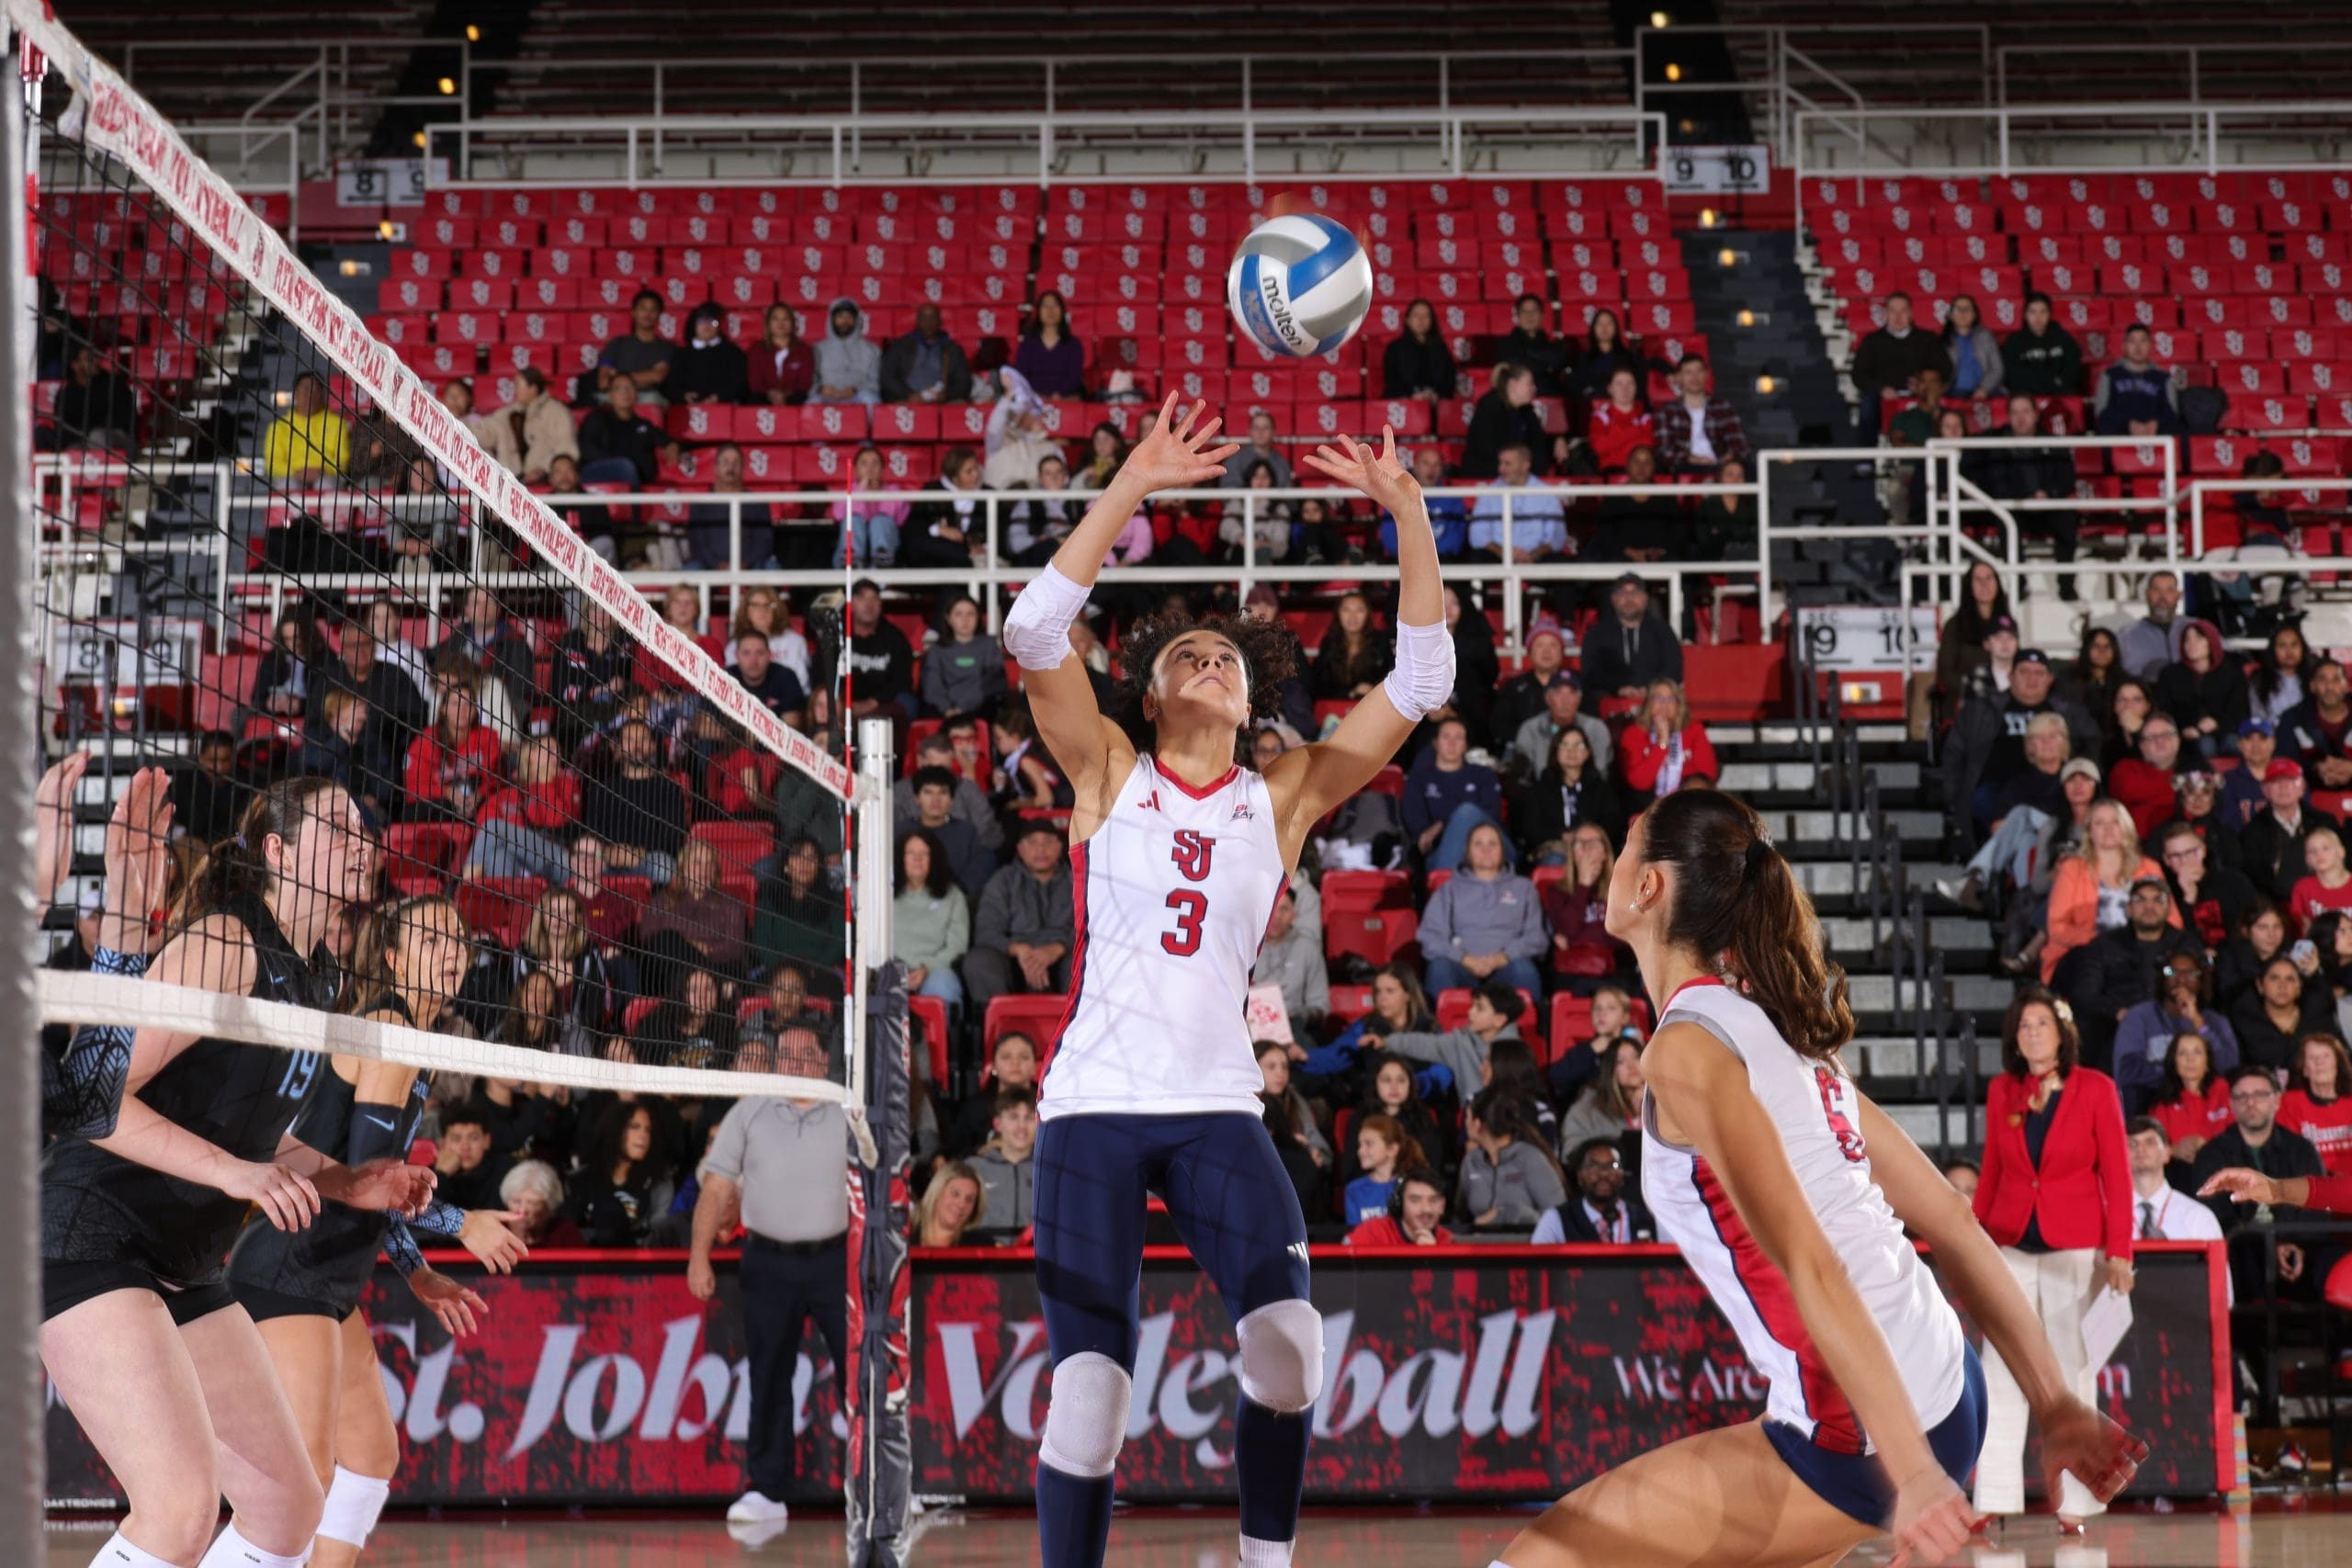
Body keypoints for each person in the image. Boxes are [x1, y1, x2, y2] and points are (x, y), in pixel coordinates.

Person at [999, 400, 1453, 1568]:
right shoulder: (1106, 767)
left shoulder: (1284, 793)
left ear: (1253, 704)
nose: (1209, 661)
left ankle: (1266, 1563)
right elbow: (1034, 629)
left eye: (1227, 659)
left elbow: (1424, 674)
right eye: (1184, 657)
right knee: (1090, 1400)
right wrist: (1131, 485)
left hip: (1212, 1105)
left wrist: (1407, 514)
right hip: (1093, 1110)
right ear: (1151, 699)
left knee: (1292, 1348)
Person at [1496, 791, 2142, 1568]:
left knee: (1540, 1558)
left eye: (1628, 842)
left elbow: (1812, 1263)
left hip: (1865, 1426)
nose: (1611, 856)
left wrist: (1911, 1474)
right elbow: (1952, 1218)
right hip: (1945, 1378)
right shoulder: (1785, 1032)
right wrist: (2054, 1401)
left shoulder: (1683, 1052)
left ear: (1649, 886)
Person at [40, 780, 439, 1568]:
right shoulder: (225, 942)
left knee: (288, 1506)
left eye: (364, 826)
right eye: (337, 826)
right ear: (279, 853)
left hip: (184, 1258)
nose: (362, 839)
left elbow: (259, 1130)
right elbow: (94, 1100)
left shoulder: (319, 975)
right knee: (180, 1509)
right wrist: (237, 1175)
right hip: (91, 1236)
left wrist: (350, 1181)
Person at [225, 896, 527, 1568]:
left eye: (458, 937)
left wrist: (416, 1268)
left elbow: (372, 1186)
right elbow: (371, 1174)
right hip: (288, 1269)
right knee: (302, 1480)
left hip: (330, 1278)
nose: (451, 948)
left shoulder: (411, 1043)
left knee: (368, 1453)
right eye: (431, 938)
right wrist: (461, 1222)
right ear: (391, 955)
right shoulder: (387, 1024)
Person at [1968, 986, 2134, 1530]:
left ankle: (2077, 1504)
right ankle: (1992, 1497)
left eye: (2041, 1024)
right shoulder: (2002, 1090)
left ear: (2063, 1033)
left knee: (2071, 1372)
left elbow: (2118, 1176)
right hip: (2011, 1243)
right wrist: (1974, 1245)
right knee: (2000, 1368)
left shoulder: (2096, 1088)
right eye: (2023, 1026)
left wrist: (2120, 1253)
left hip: (2074, 1247)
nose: (2032, 1033)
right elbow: (1992, 1171)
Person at [687, 1016, 850, 1529]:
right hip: (767, 1260)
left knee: (863, 1375)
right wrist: (699, 1257)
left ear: (824, 1060)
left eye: (806, 1054)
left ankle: (878, 1483)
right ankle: (767, 1489)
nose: (796, 1064)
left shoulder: (851, 1108)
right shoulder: (748, 1111)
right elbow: (715, 1187)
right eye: (787, 1055)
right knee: (769, 1375)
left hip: (837, 1261)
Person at [2188, 1066, 2326, 1296]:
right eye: (2241, 1096)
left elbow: (2317, 1206)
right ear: (2231, 1104)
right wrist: (2269, 1245)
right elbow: (2214, 1213)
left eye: (2260, 1095)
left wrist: (2293, 1244)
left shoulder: (2301, 1149)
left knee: (2325, 1257)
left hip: (2299, 1243)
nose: (2250, 1103)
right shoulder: (2212, 1154)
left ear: (2277, 1101)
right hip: (2241, 1249)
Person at [1973, 394, 2081, 599]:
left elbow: (2067, 479)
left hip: (2048, 506)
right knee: (2006, 521)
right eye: (2015, 413)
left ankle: (2066, 585)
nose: (2020, 418)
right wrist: (2024, 498)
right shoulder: (1998, 447)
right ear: (2008, 417)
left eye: (2025, 412)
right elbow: (1997, 483)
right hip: (2016, 507)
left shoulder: (2055, 444)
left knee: (2067, 516)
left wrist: (2049, 494)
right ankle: (2018, 584)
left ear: (2035, 414)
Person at [1419, 824, 1546, 996]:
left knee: (1525, 971)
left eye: (1493, 844)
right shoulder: (1449, 889)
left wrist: (1502, 958)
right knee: (1439, 968)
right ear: (1467, 851)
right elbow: (1430, 937)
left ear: (1503, 850)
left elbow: (1536, 937)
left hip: (1507, 966)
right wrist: (1464, 959)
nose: (1486, 849)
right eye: (1478, 844)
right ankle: (1439, 1022)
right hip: (1461, 966)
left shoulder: (1524, 888)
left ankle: (1528, 1023)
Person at [961, 820, 1074, 1013]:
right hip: (1014, 961)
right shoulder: (1002, 881)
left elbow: (1094, 926)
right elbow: (986, 931)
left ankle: (1079, 1032)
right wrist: (1018, 949)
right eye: (1032, 842)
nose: (1040, 849)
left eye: (1048, 842)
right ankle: (1002, 1032)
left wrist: (1059, 948)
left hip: (1062, 956)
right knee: (978, 961)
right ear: (1020, 849)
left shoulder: (1077, 881)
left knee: (1085, 960)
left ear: (1060, 847)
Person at [2114, 949, 2240, 1114]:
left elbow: (2229, 1067)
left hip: (2204, 1101)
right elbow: (2127, 1070)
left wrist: (2197, 1022)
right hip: (2152, 1099)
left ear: (2201, 980)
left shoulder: (2214, 1021)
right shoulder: (2139, 1016)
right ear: (2162, 978)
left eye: (2191, 973)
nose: (2181, 979)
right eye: (2172, 972)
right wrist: (2179, 1075)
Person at [1402, 716, 1507, 872]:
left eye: (1458, 737)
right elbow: (1419, 830)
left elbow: (1490, 816)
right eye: (1446, 737)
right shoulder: (1419, 778)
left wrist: (1443, 824)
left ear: (1465, 745)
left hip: (1491, 851)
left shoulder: (1483, 775)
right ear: (1435, 743)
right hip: (1440, 851)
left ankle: (1448, 892)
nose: (1452, 743)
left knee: (1467, 811)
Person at [1849, 291, 1953, 442]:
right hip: (1883, 395)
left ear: (1911, 313)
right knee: (1867, 404)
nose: (1898, 316)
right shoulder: (1872, 341)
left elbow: (1945, 369)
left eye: (1903, 310)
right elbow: (1859, 374)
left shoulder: (1927, 339)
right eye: (1893, 311)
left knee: (1940, 398)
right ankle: (1867, 458)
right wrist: (1881, 389)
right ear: (1885, 313)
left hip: (1922, 394)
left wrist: (1923, 385)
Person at [1455, 1089, 1566, 1229]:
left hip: (1525, 1246)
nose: (1465, 1123)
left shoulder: (1531, 1158)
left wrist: (1507, 1214)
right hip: (1479, 1246)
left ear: (1477, 1125)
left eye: (1468, 1117)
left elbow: (1559, 1217)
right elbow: (1459, 1216)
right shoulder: (1471, 1161)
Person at [896, 828, 970, 1009]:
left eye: (924, 854)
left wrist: (927, 968)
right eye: (911, 853)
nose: (917, 859)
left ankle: (939, 1038)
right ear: (900, 858)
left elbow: (957, 944)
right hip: (892, 971)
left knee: (943, 984)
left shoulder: (953, 895)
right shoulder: (883, 894)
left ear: (934, 859)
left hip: (934, 970)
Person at [2242, 761, 2335, 904]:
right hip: (2277, 906)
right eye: (2276, 782)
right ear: (2265, 790)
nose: (2284, 787)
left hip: (2326, 899)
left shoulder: (2325, 822)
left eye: (2291, 780)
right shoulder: (2253, 831)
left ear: (2302, 787)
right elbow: (2256, 881)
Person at [1581, 574, 1685, 703]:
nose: (1629, 599)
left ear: (1646, 598)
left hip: (1655, 702)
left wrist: (1650, 689)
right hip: (1610, 703)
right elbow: (1590, 672)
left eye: (1635, 593)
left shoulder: (1662, 632)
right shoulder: (1597, 634)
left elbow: (1673, 669)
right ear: (1613, 599)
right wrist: (1619, 689)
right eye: (1623, 593)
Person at [1530, 1136, 1655, 1244]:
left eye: (1613, 1166)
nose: (1603, 1174)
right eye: (1593, 1166)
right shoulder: (1556, 1219)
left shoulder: (1646, 1218)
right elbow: (1536, 1266)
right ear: (1579, 1176)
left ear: (1622, 1176)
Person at [1620, 678, 1718, 802]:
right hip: (1645, 803)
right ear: (1648, 704)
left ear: (1679, 705)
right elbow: (1639, 782)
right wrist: (1662, 743)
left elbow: (1706, 778)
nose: (1664, 704)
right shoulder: (1633, 734)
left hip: (1687, 802)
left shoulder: (1694, 731)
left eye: (1671, 699)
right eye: (1658, 699)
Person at [1651, 354, 1749, 476]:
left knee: (1749, 471)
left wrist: (1729, 458)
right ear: (1679, 377)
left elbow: (1741, 447)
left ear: (1706, 375)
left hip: (1721, 468)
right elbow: (1663, 452)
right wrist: (1693, 459)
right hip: (1685, 468)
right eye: (1688, 372)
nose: (1694, 377)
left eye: (1699, 371)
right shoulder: (1666, 412)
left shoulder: (1723, 407)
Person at [1467, 442, 1568, 560]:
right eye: (1500, 463)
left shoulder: (1546, 494)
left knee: (1558, 561)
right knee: (1477, 557)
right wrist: (1504, 553)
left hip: (1536, 558)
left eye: (1508, 464)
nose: (1501, 469)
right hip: (1498, 556)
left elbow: (1556, 537)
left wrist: (1533, 555)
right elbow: (1478, 535)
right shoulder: (1489, 494)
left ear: (1525, 465)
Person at [968, 1086, 1040, 1235]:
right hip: (984, 1255)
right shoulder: (973, 1168)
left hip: (1035, 1256)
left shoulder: (1049, 1170)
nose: (1022, 1126)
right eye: (1014, 1117)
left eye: (1029, 1118)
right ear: (997, 1124)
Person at [2277, 1032, 2352, 1172]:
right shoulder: (2289, 1103)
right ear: (2304, 1069)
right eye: (2312, 1057)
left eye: (2326, 1056)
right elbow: (2287, 1154)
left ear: (2338, 1064)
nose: (2319, 1062)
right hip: (2311, 1184)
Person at [576, 373, 669, 485]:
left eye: (629, 388)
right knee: (625, 466)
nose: (625, 393)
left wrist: (672, 445)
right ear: (610, 395)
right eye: (618, 388)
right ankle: (635, 501)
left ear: (636, 394)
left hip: (636, 478)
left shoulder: (643, 424)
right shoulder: (596, 419)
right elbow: (587, 450)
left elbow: (662, 438)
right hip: (597, 471)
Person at [2093, 323, 2180, 437]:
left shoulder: (2163, 378)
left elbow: (2173, 414)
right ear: (2124, 346)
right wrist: (2128, 424)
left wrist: (2156, 424)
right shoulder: (2110, 375)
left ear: (2150, 345)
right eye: (2132, 341)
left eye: (2143, 341)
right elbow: (2101, 413)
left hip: (2156, 436)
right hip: (2118, 436)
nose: (2138, 347)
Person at [1462, 364, 1546, 481]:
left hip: (1521, 474)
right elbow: (1484, 446)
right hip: (1489, 474)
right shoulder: (1489, 405)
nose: (1534, 388)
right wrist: (1512, 461)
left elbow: (1539, 444)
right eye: (1529, 383)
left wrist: (1558, 440)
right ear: (1512, 384)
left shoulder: (1527, 411)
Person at [262, 370, 349, 482]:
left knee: (326, 484)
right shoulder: (278, 427)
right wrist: (294, 472)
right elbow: (272, 462)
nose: (309, 395)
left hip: (326, 475)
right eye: (305, 389)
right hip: (291, 476)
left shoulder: (337, 423)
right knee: (288, 485)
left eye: (315, 390)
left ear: (322, 394)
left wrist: (322, 471)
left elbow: (343, 459)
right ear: (295, 394)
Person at [1340, 1112, 1427, 1225]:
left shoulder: (1412, 1187)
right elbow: (1354, 1235)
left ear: (1392, 1149)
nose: (1360, 1151)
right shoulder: (1354, 1189)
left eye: (1369, 1144)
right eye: (1360, 1145)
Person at [597, 288, 679, 405]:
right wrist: (644, 378)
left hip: (648, 398)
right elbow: (603, 383)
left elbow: (658, 377)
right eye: (643, 308)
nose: (647, 314)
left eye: (653, 310)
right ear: (633, 312)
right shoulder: (617, 344)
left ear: (660, 315)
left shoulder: (668, 347)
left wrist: (618, 376)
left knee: (653, 399)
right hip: (617, 397)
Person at [881, 302, 974, 404]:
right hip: (907, 398)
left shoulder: (953, 349)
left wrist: (947, 395)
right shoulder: (901, 346)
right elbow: (887, 377)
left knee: (959, 405)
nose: (928, 322)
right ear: (917, 321)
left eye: (932, 318)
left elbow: (964, 382)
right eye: (924, 318)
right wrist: (908, 395)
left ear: (940, 321)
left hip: (941, 399)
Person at [51, 342, 139, 449]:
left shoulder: (114, 384)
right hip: (80, 440)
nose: (96, 362)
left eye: (96, 357)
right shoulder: (66, 393)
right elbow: (63, 426)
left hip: (116, 438)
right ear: (75, 365)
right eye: (89, 359)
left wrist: (89, 430)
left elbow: (125, 420)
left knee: (96, 436)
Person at [2003, 291, 2085, 398]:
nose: (2038, 317)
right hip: (2027, 397)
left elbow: (2074, 369)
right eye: (2032, 312)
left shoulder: (2063, 338)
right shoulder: (2015, 341)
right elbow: (2012, 375)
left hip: (2060, 394)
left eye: (2043, 312)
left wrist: (2054, 383)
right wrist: (2046, 382)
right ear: (2025, 315)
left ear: (2050, 314)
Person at [1343, 1166, 1453, 1246]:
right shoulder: (1372, 1232)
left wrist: (1433, 1259)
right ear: (1400, 1204)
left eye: (1433, 1201)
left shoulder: (1448, 1241)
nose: (1426, 1209)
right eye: (1415, 1200)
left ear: (1442, 1206)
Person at [673, 301, 749, 404]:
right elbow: (672, 385)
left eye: (713, 321)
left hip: (725, 406)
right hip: (687, 408)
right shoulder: (681, 354)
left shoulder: (733, 352)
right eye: (702, 320)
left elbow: (741, 384)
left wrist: (720, 397)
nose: (707, 325)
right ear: (693, 324)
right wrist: (684, 396)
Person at [1381, 298, 1456, 403]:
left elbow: (1449, 379)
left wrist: (1436, 395)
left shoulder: (1440, 348)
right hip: (1404, 402)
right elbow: (1392, 380)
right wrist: (1412, 395)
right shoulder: (1395, 348)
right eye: (1416, 315)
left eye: (1426, 316)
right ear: (1407, 320)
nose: (1421, 320)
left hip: (1435, 402)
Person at [811, 297, 882, 406]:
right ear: (832, 320)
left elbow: (875, 382)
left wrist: (855, 390)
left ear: (856, 320)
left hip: (857, 395)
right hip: (826, 395)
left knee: (871, 400)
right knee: (812, 403)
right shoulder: (817, 349)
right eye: (840, 317)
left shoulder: (872, 350)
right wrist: (821, 389)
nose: (845, 321)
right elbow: (811, 379)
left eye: (849, 317)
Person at [1015, 288, 1086, 399]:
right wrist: (1035, 395)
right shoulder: (1028, 344)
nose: (1050, 310)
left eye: (1055, 305)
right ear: (1038, 312)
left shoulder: (1073, 344)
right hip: (1033, 398)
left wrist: (1059, 394)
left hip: (1065, 397)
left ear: (1062, 311)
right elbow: (1021, 375)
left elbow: (1074, 377)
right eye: (1045, 306)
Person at [1584, 367, 1655, 474]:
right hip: (1611, 471)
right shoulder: (1601, 417)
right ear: (1610, 389)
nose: (1625, 389)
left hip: (1642, 472)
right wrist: (1634, 433)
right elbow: (1599, 448)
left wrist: (1615, 439)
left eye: (1630, 383)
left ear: (1636, 388)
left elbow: (1648, 445)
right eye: (1619, 384)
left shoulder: (1645, 417)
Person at [1501, 293, 1572, 397]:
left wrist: (1526, 354)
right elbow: (1511, 364)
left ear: (1542, 315)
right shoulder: (1505, 344)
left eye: (1534, 311)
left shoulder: (1554, 343)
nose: (1530, 316)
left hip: (1550, 399)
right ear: (1517, 316)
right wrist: (1546, 367)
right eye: (1525, 311)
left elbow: (1558, 361)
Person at [746, 303, 814, 405]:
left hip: (795, 398)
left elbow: (805, 383)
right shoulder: (757, 350)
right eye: (775, 319)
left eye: (785, 319)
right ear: (768, 323)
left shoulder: (803, 350)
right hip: (764, 398)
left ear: (792, 323)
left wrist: (785, 395)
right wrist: (771, 394)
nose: (780, 324)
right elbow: (755, 383)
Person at [917, 1162, 986, 1246]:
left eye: (969, 1200)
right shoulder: (903, 1233)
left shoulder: (982, 1245)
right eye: (955, 1194)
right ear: (936, 1192)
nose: (961, 1205)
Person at [1219, 410, 1294, 489]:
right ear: (1249, 432)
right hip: (1243, 501)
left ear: (1273, 432)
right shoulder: (1234, 460)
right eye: (1256, 427)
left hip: (1275, 501)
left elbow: (1286, 495)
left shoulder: (1281, 463)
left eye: (1266, 427)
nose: (1260, 432)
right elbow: (1230, 493)